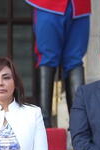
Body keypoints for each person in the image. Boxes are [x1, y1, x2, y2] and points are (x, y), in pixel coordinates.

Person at [26, 0, 90, 128]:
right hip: (48, 4)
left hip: (78, 5)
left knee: (74, 60)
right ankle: (43, 125)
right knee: (47, 58)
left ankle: (79, 126)